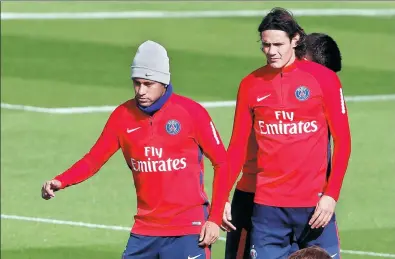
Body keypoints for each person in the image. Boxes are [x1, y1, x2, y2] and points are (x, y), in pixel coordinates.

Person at [41, 40, 230, 259]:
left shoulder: (191, 113)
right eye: (136, 83)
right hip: (144, 230)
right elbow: (93, 160)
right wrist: (61, 180)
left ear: (164, 82)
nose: (141, 91)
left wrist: (214, 218)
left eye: (148, 84)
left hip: (189, 229)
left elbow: (222, 162)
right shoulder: (122, 116)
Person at [226, 7, 351, 259]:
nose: (272, 52)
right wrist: (220, 199)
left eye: (278, 44)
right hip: (258, 198)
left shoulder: (321, 86)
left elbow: (341, 143)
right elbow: (236, 148)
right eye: (266, 45)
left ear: (295, 42)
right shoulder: (254, 85)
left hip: (308, 203)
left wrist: (330, 194)